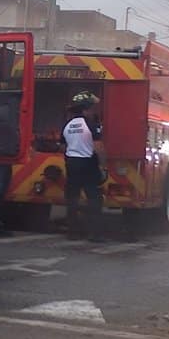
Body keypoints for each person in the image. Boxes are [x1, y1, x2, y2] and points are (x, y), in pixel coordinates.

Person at [62, 93, 103, 240]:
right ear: (86, 109)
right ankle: (94, 233)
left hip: (71, 163)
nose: (93, 111)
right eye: (92, 108)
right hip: (88, 164)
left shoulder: (67, 125)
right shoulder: (91, 125)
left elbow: (63, 146)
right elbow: (98, 147)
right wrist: (103, 165)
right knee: (94, 198)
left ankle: (72, 232)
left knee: (72, 198)